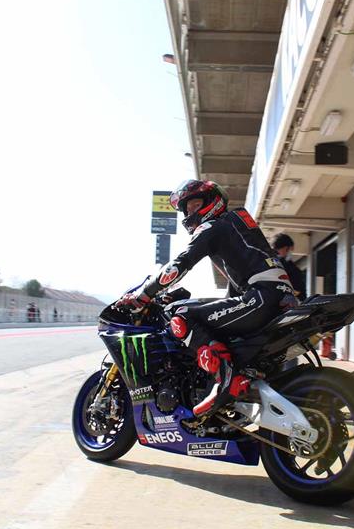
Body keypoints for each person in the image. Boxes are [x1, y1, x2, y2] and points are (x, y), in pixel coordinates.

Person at [117, 179, 297, 420]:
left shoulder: (213, 226)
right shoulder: (237, 223)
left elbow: (177, 266)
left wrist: (143, 295)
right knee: (201, 313)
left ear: (212, 200)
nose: (190, 212)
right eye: (186, 209)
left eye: (194, 204)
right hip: (274, 296)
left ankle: (226, 378)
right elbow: (237, 287)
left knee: (178, 313)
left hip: (262, 296)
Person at [271, 233, 307, 301]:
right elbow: (298, 289)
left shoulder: (264, 260)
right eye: (290, 249)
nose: (291, 252)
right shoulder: (287, 266)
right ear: (286, 248)